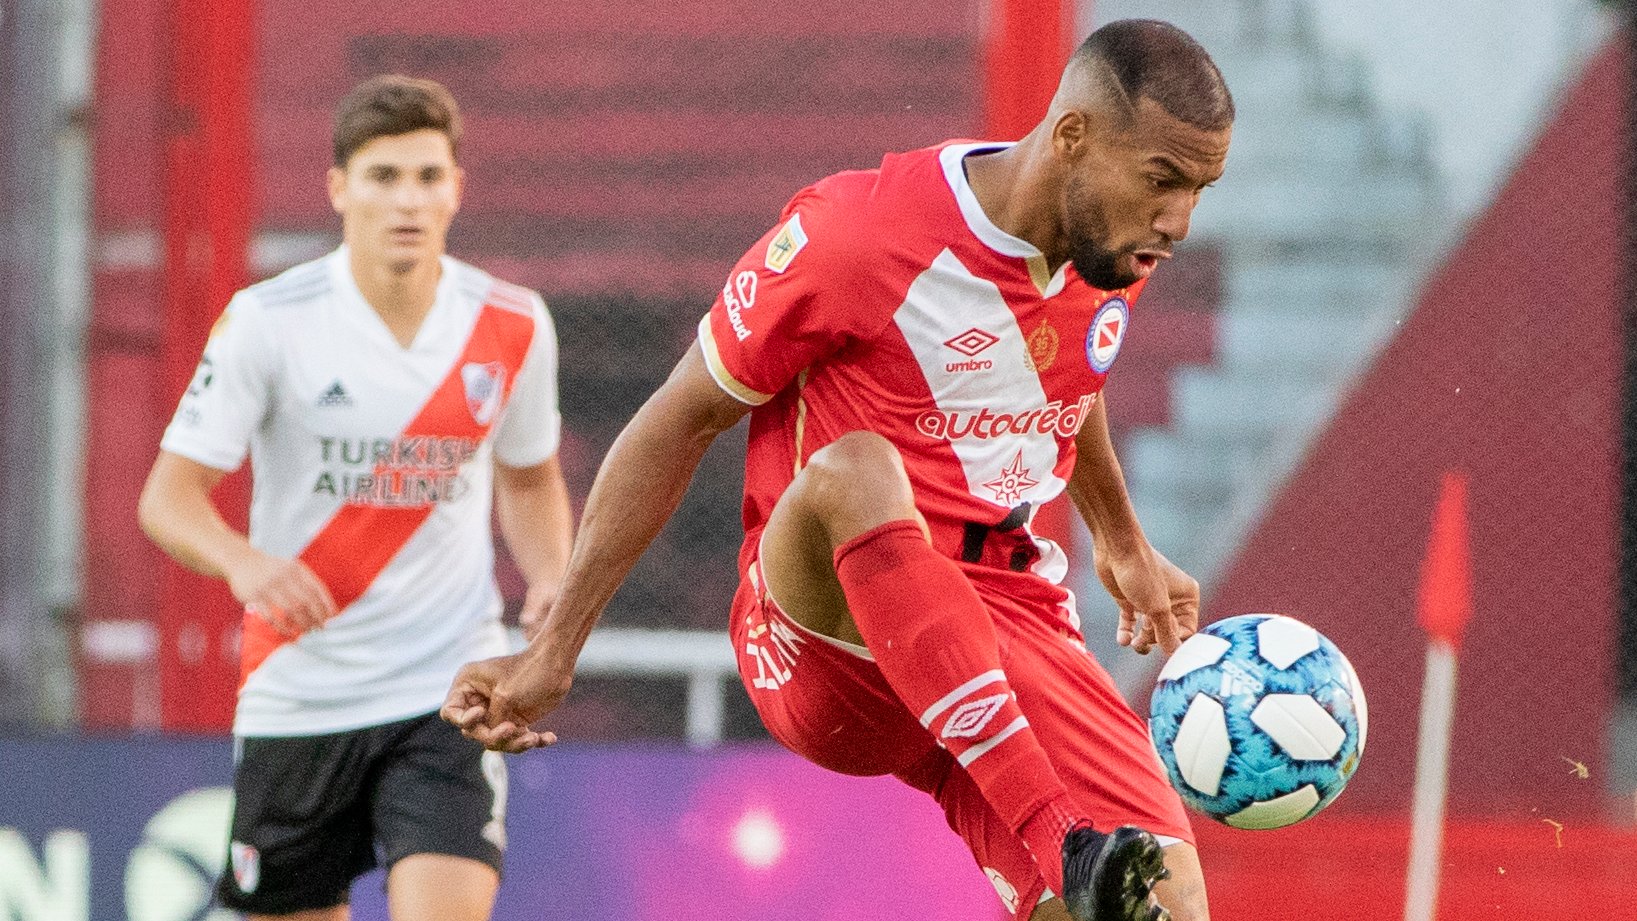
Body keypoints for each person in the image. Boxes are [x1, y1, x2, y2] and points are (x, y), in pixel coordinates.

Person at [445, 18, 1229, 921]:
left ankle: (1071, 860)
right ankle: (1063, 837)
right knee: (856, 468)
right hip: (826, 633)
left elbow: (1061, 370)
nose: (1178, 222)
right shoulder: (857, 236)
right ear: (1071, 137)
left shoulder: (1112, 243)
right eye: (1163, 181)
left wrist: (1120, 539)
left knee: (1163, 903)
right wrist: (554, 650)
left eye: (1200, 189)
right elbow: (678, 417)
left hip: (1006, 611)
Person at [137, 74, 573, 920]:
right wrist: (245, 563)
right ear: (339, 189)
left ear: (456, 189)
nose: (407, 199)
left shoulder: (514, 323)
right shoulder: (269, 321)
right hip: (301, 686)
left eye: (426, 176)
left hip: (447, 683)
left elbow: (527, 477)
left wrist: (551, 572)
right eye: (383, 177)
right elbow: (168, 497)